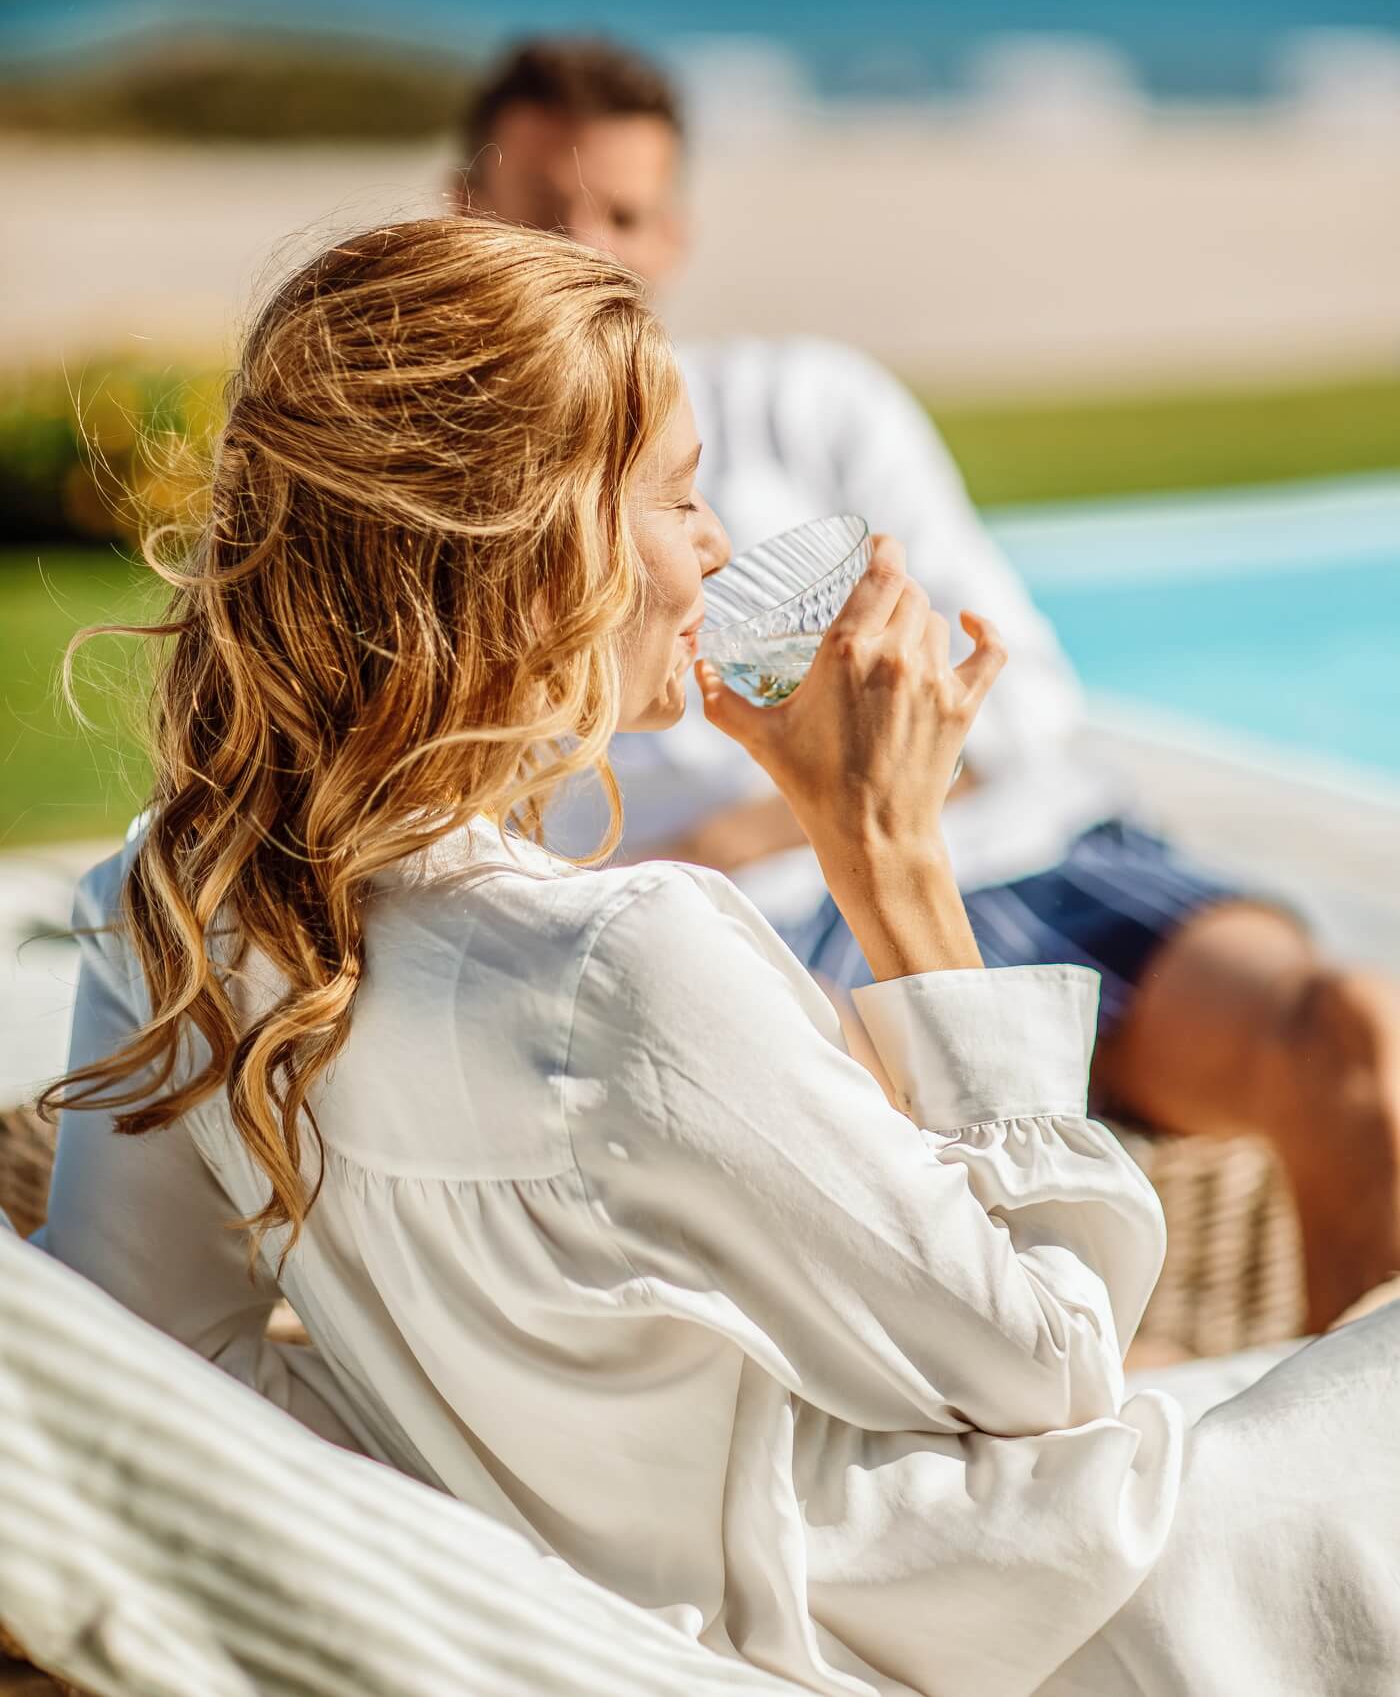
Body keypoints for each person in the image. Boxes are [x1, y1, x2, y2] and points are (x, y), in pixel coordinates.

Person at [36, 216, 1400, 1697]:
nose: (720, 551)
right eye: (681, 499)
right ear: (542, 547)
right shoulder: (626, 964)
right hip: (1072, 1612)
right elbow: (1056, 1365)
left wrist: (514, 1485)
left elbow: (160, 1368)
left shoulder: (177, 908)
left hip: (854, 1580)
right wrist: (894, 860)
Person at [455, 35, 1400, 1334]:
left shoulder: (803, 402)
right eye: (544, 207)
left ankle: (1345, 1470)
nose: (584, 248)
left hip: (1028, 860)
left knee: (1357, 1035)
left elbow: (1007, 700)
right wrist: (805, 812)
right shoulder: (442, 499)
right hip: (765, 930)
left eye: (620, 214)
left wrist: (794, 803)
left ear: (673, 235)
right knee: (875, 1192)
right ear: (467, 210)